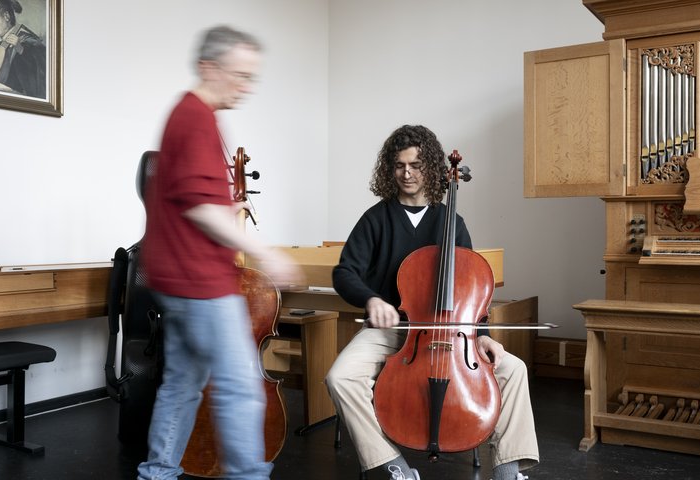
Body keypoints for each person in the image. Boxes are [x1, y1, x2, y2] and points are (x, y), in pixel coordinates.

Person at [325, 125, 539, 480]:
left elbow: (472, 292)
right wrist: (372, 299)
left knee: (513, 369)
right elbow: (344, 272)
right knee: (340, 377)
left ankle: (507, 469)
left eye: (415, 164)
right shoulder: (376, 219)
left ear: (431, 169)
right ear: (389, 170)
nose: (406, 173)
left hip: (453, 336)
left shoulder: (451, 222)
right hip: (394, 331)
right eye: (398, 165)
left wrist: (482, 334)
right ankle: (393, 465)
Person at [137, 26, 301, 480]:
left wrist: (228, 205)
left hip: (176, 279)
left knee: (182, 385)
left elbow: (190, 197)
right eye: (240, 75)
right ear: (209, 67)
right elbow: (200, 209)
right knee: (241, 388)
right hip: (200, 282)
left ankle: (157, 473)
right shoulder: (196, 118)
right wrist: (265, 253)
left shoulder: (189, 115)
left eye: (253, 78)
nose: (246, 86)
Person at [0, 0, 46, 98]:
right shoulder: (0, 43)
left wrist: (21, 49)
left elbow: (42, 63)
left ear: (7, 16)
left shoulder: (26, 40)